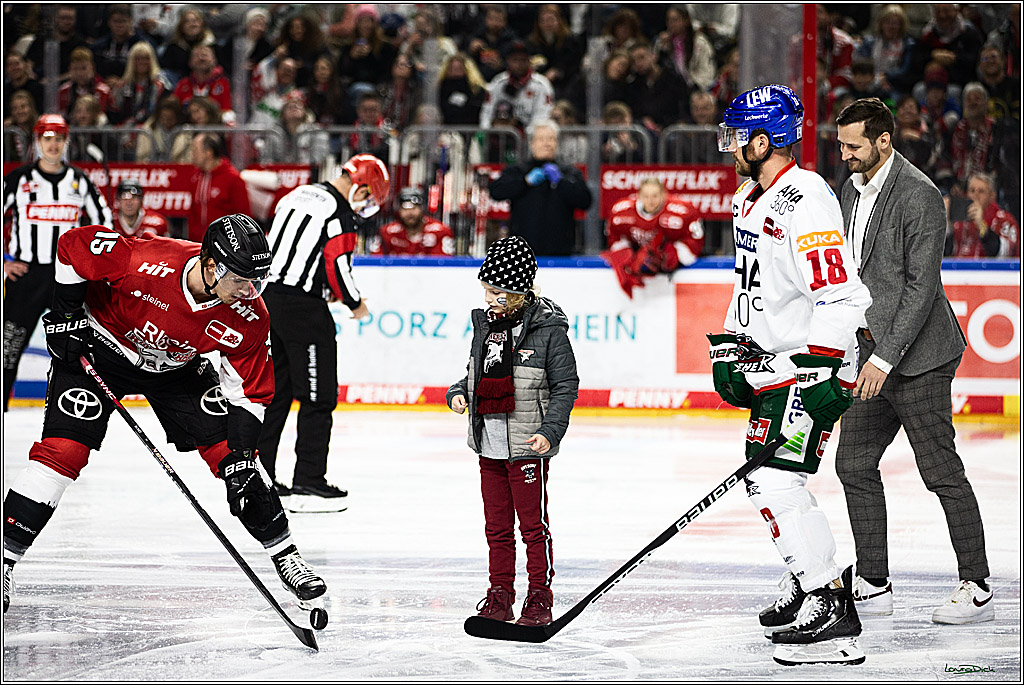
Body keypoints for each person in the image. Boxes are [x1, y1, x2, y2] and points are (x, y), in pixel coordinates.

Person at [1, 214, 326, 615]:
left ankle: (285, 555)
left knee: (237, 462)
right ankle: (3, 559)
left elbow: (252, 393)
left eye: (256, 280)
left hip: (176, 369)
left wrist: (242, 455)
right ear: (211, 265)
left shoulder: (250, 315)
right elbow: (71, 245)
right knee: (62, 453)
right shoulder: (144, 259)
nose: (250, 291)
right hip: (100, 350)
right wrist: (65, 314)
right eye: (241, 280)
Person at [712, 84, 872, 665]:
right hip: (773, 362)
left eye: (736, 136)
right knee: (769, 482)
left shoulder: (806, 199)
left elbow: (843, 295)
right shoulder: (748, 197)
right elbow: (747, 285)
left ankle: (833, 609)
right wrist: (731, 344)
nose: (729, 147)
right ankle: (810, 584)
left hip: (808, 366)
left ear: (762, 140)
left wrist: (823, 370)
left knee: (777, 481)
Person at [833, 98, 993, 625]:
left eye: (854, 146)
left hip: (919, 358)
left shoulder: (920, 195)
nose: (846, 154)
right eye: (841, 145)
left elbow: (920, 289)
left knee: (939, 470)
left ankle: (977, 584)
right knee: (853, 463)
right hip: (870, 354)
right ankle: (875, 583)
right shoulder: (848, 190)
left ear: (884, 140)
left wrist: (882, 358)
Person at [447, 235, 579, 628]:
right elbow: (477, 373)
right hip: (489, 442)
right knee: (497, 528)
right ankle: (500, 594)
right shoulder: (486, 326)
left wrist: (550, 432)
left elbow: (565, 386)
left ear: (520, 292)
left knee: (532, 527)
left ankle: (540, 595)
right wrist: (457, 392)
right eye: (486, 290)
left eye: (498, 292)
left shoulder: (549, 331)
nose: (490, 299)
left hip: (526, 444)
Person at [257, 154, 389, 512]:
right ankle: (309, 480)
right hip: (304, 310)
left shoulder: (298, 194)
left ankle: (262, 476)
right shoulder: (338, 213)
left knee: (276, 394)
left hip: (269, 300)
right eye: (369, 196)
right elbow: (337, 264)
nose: (366, 205)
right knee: (318, 396)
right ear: (359, 186)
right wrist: (354, 303)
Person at [3, 114, 112, 411]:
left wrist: (92, 266)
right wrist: (4, 261)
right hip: (26, 275)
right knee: (8, 347)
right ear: (37, 141)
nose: (53, 145)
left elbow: (104, 223)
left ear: (66, 142)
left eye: (59, 138)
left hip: (68, 275)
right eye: (47, 138)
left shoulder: (79, 180)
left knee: (74, 346)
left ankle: (77, 411)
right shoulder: (18, 179)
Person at [489, 120, 592, 256]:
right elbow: (496, 191)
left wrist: (562, 183)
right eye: (541, 139)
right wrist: (525, 182)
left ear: (557, 143)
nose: (546, 144)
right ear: (532, 144)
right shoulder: (519, 170)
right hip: (523, 252)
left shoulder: (569, 172)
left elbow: (586, 201)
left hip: (560, 252)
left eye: (551, 139)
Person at [602, 178, 705, 298]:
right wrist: (627, 258)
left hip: (670, 281)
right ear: (638, 195)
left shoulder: (683, 212)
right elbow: (614, 238)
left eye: (655, 196)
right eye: (646, 196)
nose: (650, 201)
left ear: (663, 195)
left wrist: (675, 255)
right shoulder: (620, 212)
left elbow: (694, 242)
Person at [187, 133, 251, 243]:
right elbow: (193, 214)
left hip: (225, 247)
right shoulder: (195, 178)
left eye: (195, 150)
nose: (192, 155)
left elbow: (244, 217)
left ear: (208, 152)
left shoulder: (232, 179)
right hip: (198, 246)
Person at [478, 41, 554, 130]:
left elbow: (542, 116)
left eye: (523, 60)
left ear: (529, 61)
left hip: (530, 136)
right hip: (502, 136)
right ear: (508, 61)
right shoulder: (498, 82)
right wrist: (488, 132)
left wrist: (527, 136)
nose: (519, 64)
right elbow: (487, 112)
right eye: (515, 60)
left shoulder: (541, 84)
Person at [947, 171, 1019, 257]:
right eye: (972, 191)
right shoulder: (958, 220)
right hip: (959, 269)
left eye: (981, 191)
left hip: (990, 270)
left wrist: (982, 227)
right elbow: (946, 252)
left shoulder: (1005, 220)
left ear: (992, 196)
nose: (975, 195)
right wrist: (946, 224)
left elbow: (1007, 254)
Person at [370, 187, 455, 256]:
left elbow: (442, 266)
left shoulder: (440, 232)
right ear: (398, 210)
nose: (409, 213)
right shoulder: (387, 233)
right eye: (405, 209)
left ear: (423, 208)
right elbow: (375, 264)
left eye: (414, 208)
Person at [172, 44, 234, 123]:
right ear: (190, 62)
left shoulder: (225, 83)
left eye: (205, 55)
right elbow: (173, 109)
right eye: (196, 56)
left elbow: (228, 112)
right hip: (188, 129)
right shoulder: (183, 84)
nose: (201, 58)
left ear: (214, 60)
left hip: (216, 129)